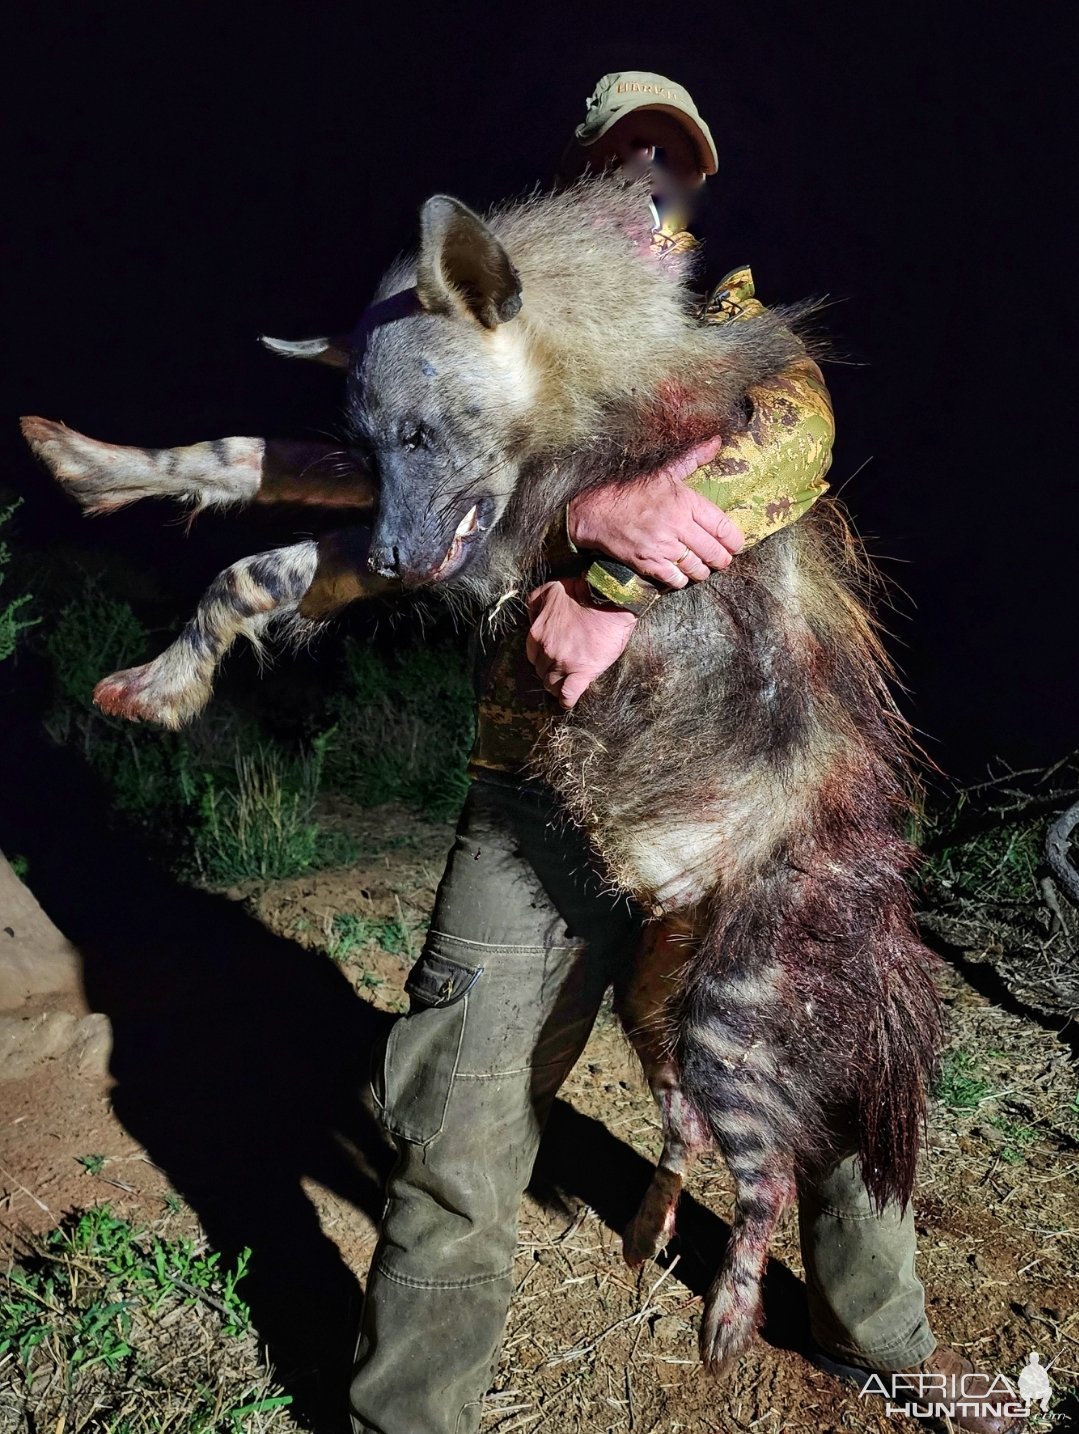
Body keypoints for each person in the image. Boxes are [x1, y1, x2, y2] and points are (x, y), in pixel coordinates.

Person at [349, 73, 1016, 1434]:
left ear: (699, 197)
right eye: (620, 154)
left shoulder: (732, 325)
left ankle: (877, 1336)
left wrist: (604, 574)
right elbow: (426, 497)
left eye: (676, 162)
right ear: (576, 182)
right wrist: (592, 512)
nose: (649, 178)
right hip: (538, 767)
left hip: (734, 778)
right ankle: (406, 1414)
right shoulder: (492, 330)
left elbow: (796, 438)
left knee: (817, 1040)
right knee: (462, 1105)